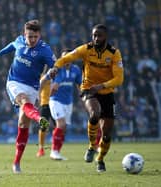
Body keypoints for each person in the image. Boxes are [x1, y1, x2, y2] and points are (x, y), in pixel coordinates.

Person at [49, 24, 124, 172]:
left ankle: (100, 159)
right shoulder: (86, 49)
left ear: (106, 37)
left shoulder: (114, 54)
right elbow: (67, 58)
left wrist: (102, 86)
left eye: (99, 35)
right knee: (94, 114)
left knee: (107, 133)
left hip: (106, 92)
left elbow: (119, 79)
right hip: (89, 89)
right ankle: (91, 146)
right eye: (94, 35)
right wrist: (56, 67)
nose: (96, 38)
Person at [0, 19, 56, 174]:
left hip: (33, 87)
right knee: (24, 100)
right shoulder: (19, 41)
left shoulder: (45, 50)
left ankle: (16, 162)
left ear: (39, 35)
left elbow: (56, 65)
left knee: (22, 124)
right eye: (30, 36)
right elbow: (12, 45)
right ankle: (39, 119)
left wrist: (54, 79)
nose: (32, 40)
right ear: (24, 35)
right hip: (14, 82)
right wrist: (0, 52)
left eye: (35, 37)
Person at [41, 49, 82, 160]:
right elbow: (45, 78)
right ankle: (53, 151)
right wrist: (37, 91)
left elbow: (80, 84)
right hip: (55, 100)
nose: (65, 60)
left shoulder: (76, 70)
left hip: (68, 102)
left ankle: (57, 152)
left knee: (63, 129)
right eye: (63, 58)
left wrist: (84, 96)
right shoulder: (56, 69)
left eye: (68, 57)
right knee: (61, 124)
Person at [36, 68, 55, 158]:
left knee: (58, 127)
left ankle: (55, 149)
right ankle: (41, 148)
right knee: (43, 126)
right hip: (45, 103)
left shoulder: (57, 76)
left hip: (56, 103)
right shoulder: (43, 76)